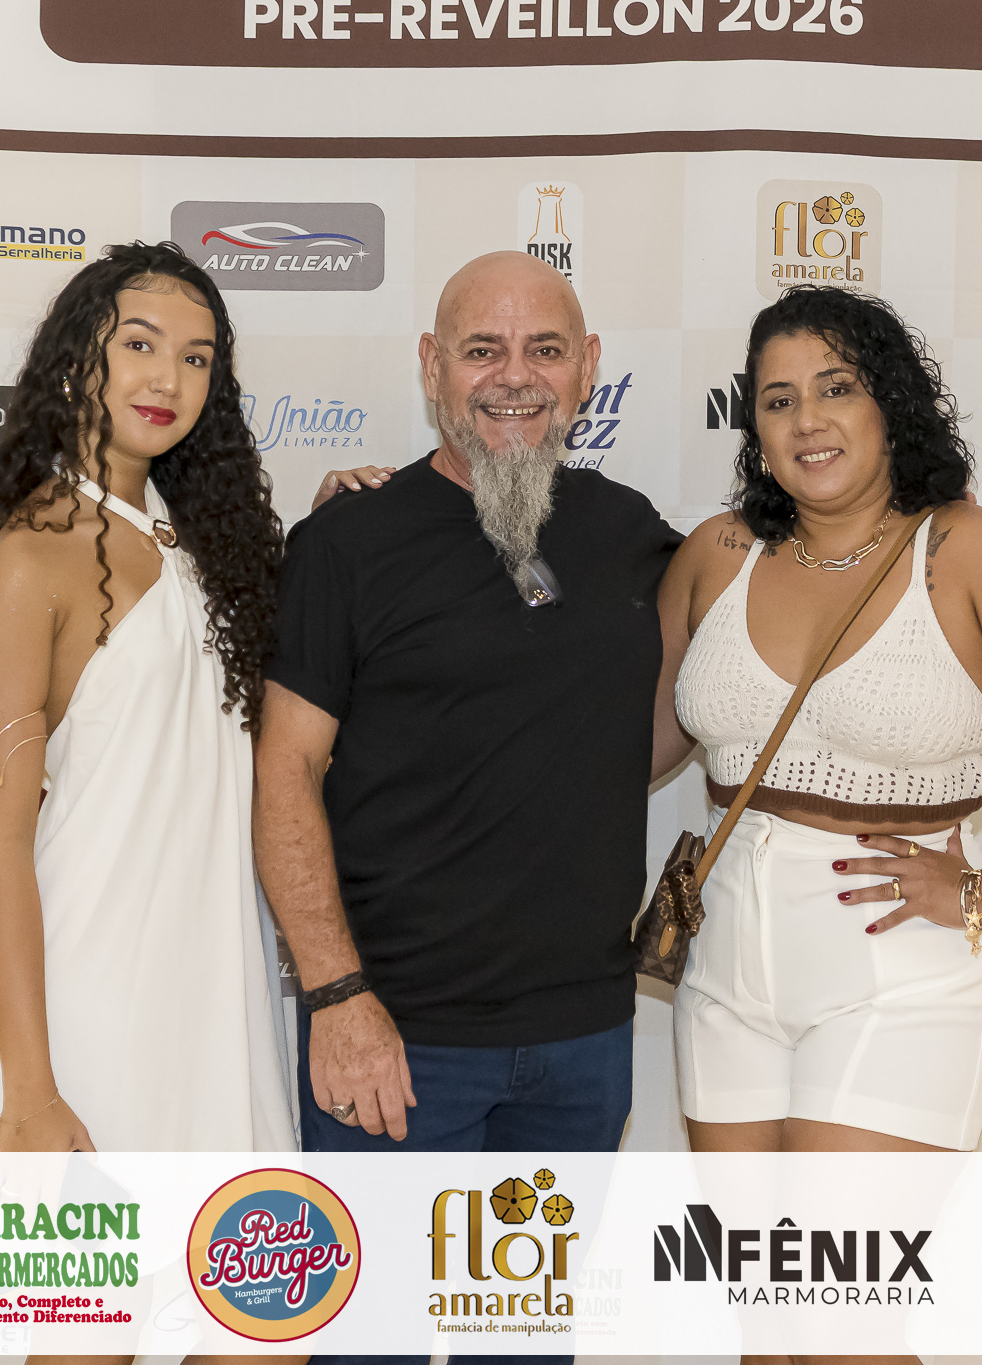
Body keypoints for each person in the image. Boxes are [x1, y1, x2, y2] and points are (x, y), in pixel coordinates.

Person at [652, 282, 982, 1276]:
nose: (806, 420)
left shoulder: (966, 550)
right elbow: (633, 742)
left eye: (835, 387)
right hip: (723, 973)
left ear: (890, 403)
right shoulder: (718, 554)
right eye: (777, 399)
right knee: (765, 1313)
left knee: (841, 1313)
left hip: (897, 972)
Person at [253, 251, 681, 1180]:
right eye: (483, 349)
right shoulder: (348, 541)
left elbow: (770, 611)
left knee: (537, 1290)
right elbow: (285, 771)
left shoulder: (630, 531)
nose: (514, 377)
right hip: (397, 1040)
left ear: (588, 366)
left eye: (546, 350)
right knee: (382, 1287)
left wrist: (928, 537)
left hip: (584, 1043)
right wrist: (337, 995)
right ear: (432, 364)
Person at [0, 240, 302, 1163]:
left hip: (213, 997)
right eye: (138, 344)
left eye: (196, 357)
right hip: (78, 1012)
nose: (168, 378)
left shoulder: (211, 551)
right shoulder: (29, 561)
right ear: (75, 360)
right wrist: (30, 1092)